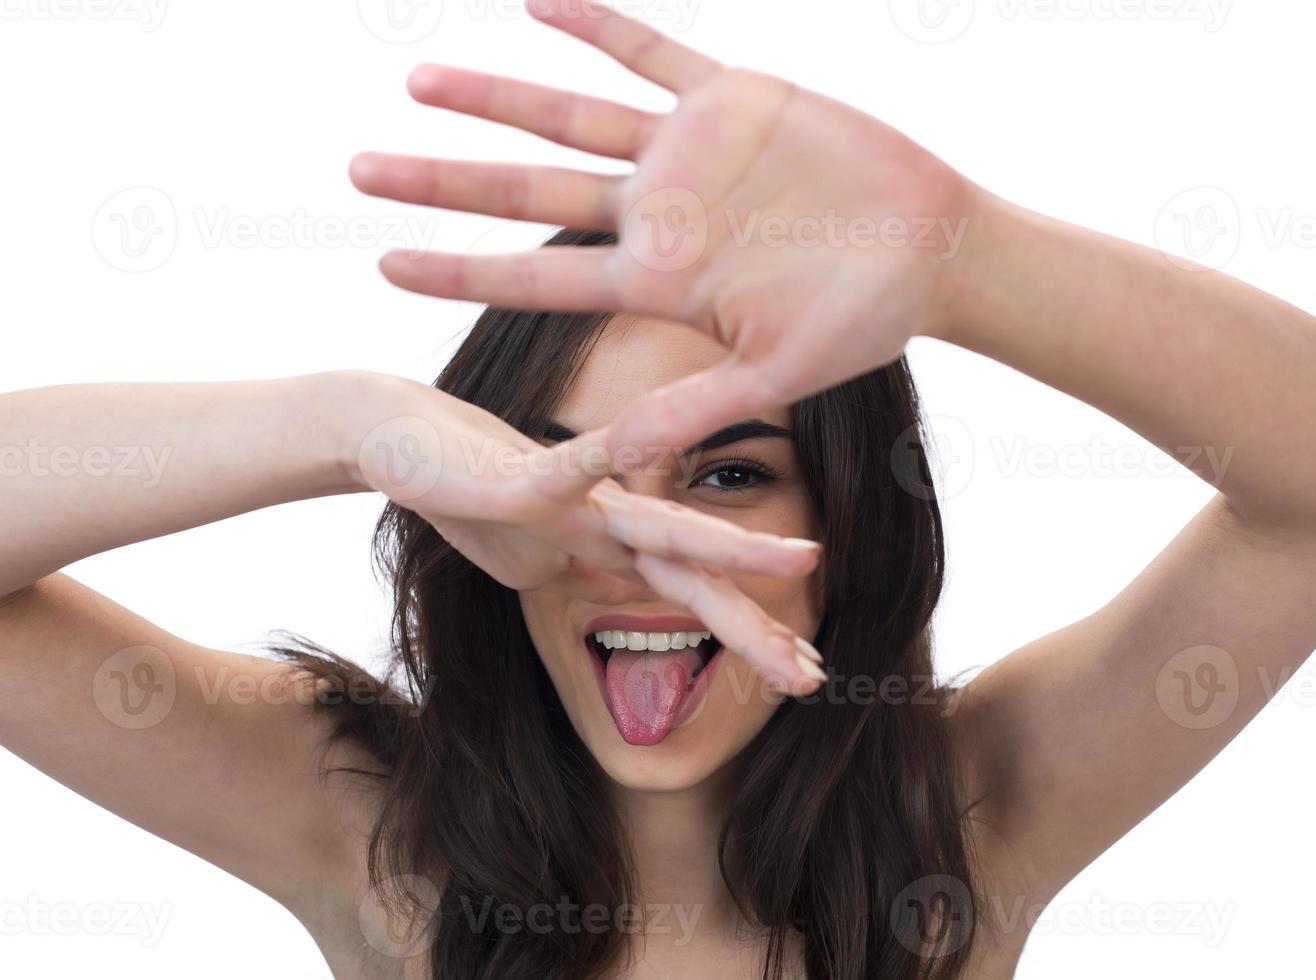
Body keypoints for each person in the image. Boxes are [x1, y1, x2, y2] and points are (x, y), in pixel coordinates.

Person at [2, 1, 1313, 977]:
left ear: (846, 527)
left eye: (731, 473)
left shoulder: (973, 815)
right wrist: (348, 422)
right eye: (560, 471)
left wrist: (971, 263)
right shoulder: (368, 835)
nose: (632, 540)